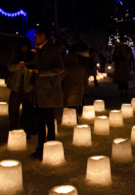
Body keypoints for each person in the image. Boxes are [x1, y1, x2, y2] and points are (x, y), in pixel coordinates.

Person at [30, 24, 64, 159]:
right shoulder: (38, 49)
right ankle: (40, 146)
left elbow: (60, 69)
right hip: (39, 89)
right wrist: (32, 81)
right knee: (40, 119)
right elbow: (36, 67)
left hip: (50, 90)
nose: (34, 37)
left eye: (36, 34)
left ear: (43, 35)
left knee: (48, 119)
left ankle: (50, 147)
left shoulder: (53, 49)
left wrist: (41, 73)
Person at [7, 37, 34, 131]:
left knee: (27, 110)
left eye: (26, 47)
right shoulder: (15, 54)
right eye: (23, 46)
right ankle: (13, 128)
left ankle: (26, 129)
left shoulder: (32, 55)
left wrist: (27, 66)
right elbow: (10, 67)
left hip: (27, 87)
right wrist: (18, 65)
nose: (24, 49)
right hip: (16, 86)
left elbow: (34, 69)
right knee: (13, 108)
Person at [61, 53, 88, 119]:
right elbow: (85, 80)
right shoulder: (82, 67)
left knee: (70, 105)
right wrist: (86, 90)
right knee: (76, 104)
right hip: (80, 89)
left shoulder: (67, 67)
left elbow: (61, 77)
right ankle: (75, 118)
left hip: (70, 89)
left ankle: (71, 119)